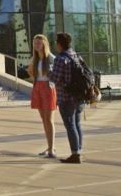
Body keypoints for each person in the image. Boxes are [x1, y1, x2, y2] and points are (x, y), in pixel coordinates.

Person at [47, 32, 84, 164]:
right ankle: (78, 151)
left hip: (66, 96)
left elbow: (55, 78)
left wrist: (48, 71)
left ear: (59, 44)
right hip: (79, 96)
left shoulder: (60, 59)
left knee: (70, 125)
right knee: (77, 124)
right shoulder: (75, 55)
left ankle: (75, 154)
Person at [28, 34, 57, 158]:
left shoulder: (51, 58)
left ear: (44, 44)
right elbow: (30, 71)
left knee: (49, 119)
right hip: (38, 87)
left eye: (39, 43)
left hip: (48, 87)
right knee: (44, 119)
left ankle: (51, 149)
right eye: (35, 43)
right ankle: (49, 146)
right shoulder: (35, 59)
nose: (36, 45)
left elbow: (56, 73)